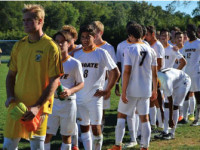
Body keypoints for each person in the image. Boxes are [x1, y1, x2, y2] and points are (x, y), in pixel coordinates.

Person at [3, 4, 63, 150]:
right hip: (17, 105)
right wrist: (10, 96)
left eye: (29, 20)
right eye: (23, 20)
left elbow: (55, 80)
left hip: (39, 107)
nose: (25, 23)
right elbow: (11, 75)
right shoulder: (19, 45)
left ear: (40, 21)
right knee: (9, 145)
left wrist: (37, 106)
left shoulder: (51, 47)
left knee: (36, 146)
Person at [108, 23, 158, 150]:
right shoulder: (151, 50)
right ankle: (144, 146)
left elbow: (127, 72)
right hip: (145, 89)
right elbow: (155, 72)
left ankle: (117, 145)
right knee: (144, 118)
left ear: (130, 35)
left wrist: (123, 91)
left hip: (131, 89)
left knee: (121, 116)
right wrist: (155, 90)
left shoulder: (129, 49)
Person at [74, 24, 120, 150]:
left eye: (88, 37)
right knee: (84, 127)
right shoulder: (77, 54)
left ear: (94, 37)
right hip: (79, 97)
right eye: (82, 37)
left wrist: (107, 89)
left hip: (95, 97)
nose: (84, 39)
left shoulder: (102, 53)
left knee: (96, 127)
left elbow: (115, 72)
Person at [44, 30, 84, 150]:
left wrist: (70, 91)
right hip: (51, 103)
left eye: (62, 42)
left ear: (68, 43)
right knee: (46, 135)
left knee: (66, 137)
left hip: (68, 103)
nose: (59, 45)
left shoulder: (75, 63)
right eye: (57, 42)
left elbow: (81, 83)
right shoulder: (49, 62)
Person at [115, 21, 139, 148]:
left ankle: (134, 137)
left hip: (137, 81)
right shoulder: (121, 45)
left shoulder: (143, 45)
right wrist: (118, 83)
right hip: (126, 81)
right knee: (126, 112)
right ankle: (130, 139)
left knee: (134, 112)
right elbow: (119, 65)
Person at [91, 20, 117, 131]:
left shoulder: (108, 48)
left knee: (101, 108)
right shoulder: (86, 46)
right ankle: (87, 133)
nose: (92, 36)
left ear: (100, 33)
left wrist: (109, 88)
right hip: (88, 82)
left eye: (94, 33)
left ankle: (99, 129)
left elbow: (113, 70)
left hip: (103, 83)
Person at [154, 68, 191, 140]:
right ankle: (165, 131)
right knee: (166, 104)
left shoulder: (165, 81)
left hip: (183, 81)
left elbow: (171, 102)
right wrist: (161, 111)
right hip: (174, 80)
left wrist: (171, 119)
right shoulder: (154, 79)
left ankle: (172, 133)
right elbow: (158, 94)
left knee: (175, 106)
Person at [145, 25, 165, 132]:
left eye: (147, 34)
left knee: (158, 101)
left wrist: (151, 73)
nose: (145, 37)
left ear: (153, 34)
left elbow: (160, 64)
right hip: (150, 76)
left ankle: (161, 125)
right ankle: (153, 124)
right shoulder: (148, 45)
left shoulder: (158, 45)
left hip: (157, 76)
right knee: (151, 101)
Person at [182, 24, 200, 126]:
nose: (188, 33)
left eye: (190, 31)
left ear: (194, 31)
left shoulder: (199, 43)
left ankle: (197, 118)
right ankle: (184, 117)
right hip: (187, 72)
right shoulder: (186, 44)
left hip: (196, 72)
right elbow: (184, 58)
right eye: (187, 31)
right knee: (185, 94)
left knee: (198, 95)